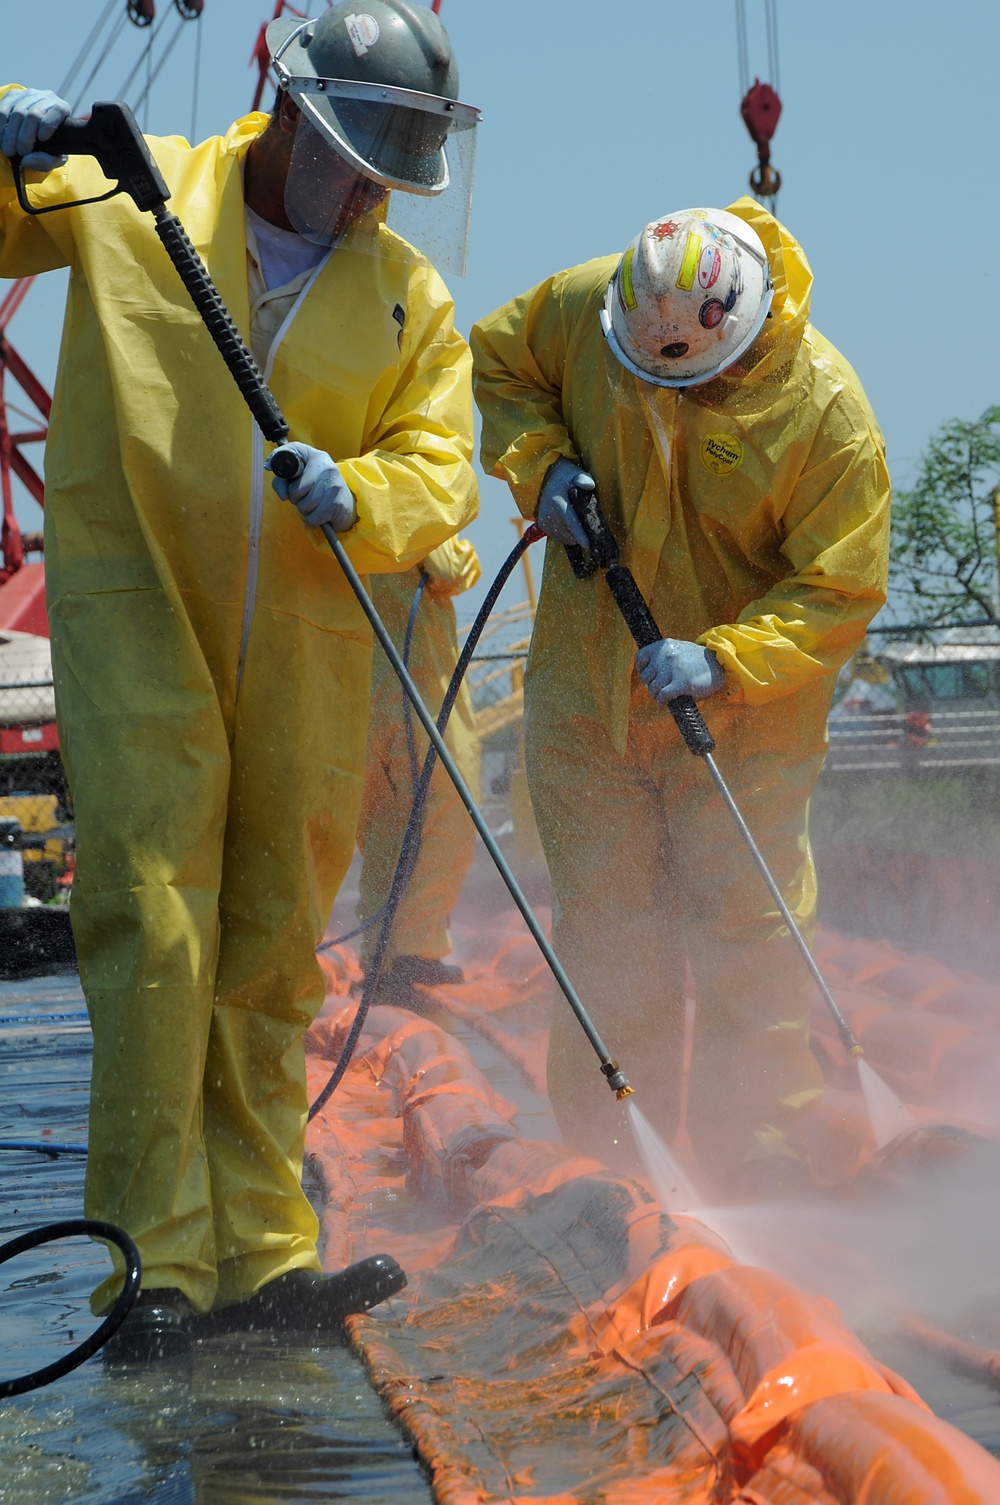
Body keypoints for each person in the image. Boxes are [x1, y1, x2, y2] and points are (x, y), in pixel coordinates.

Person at [0, 0, 478, 1359]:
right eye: (357, 149)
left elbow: (438, 470)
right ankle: (153, 1262)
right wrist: (4, 141)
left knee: (273, 946)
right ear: (284, 104)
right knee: (159, 929)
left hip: (309, 646)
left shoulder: (406, 295)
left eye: (398, 158)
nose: (373, 185)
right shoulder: (118, 189)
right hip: (140, 602)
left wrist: (366, 490)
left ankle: (267, 1251)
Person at [471, 203, 891, 1193]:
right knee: (611, 936)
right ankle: (613, 1162)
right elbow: (499, 362)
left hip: (746, 723)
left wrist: (725, 661)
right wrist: (542, 469)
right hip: (587, 697)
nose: (685, 391)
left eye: (704, 375)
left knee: (747, 936)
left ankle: (762, 1158)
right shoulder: (587, 308)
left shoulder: (825, 412)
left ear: (741, 332)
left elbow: (840, 588)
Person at [354, 537, 481, 1006]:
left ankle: (381, 957)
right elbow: (451, 567)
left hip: (362, 698)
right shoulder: (405, 510)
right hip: (418, 692)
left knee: (387, 832)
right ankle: (412, 951)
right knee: (447, 819)